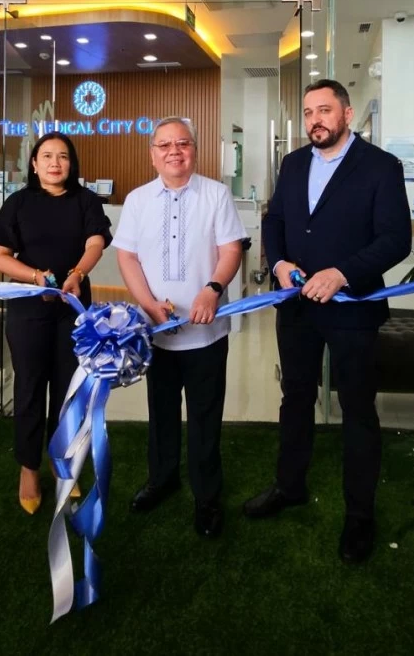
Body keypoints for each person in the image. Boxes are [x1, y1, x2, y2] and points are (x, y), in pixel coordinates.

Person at [243, 78, 412, 563]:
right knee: (294, 397)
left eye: (324, 110)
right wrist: (277, 264)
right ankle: (288, 486)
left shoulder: (381, 166)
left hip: (352, 310)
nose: (315, 119)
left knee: (357, 409)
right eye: (308, 112)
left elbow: (394, 239)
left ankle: (360, 517)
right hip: (296, 308)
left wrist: (341, 273)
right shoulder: (294, 163)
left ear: (346, 113)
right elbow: (274, 221)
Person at [112, 117, 245, 538]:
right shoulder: (136, 200)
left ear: (194, 150)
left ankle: (207, 497)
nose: (174, 151)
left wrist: (213, 289)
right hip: (157, 332)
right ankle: (162, 478)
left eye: (183, 143)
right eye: (165, 145)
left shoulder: (217, 194)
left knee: (205, 416)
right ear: (152, 154)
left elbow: (230, 250)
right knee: (161, 412)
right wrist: (148, 305)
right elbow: (128, 258)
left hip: (206, 333)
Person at [0, 132, 112, 514]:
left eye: (63, 157)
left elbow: (95, 243)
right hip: (28, 310)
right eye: (47, 156)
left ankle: (64, 465)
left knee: (69, 392)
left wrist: (78, 274)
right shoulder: (19, 202)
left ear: (72, 165)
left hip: (73, 309)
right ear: (34, 164)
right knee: (29, 388)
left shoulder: (86, 201)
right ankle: (28, 467)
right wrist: (35, 277)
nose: (55, 163)